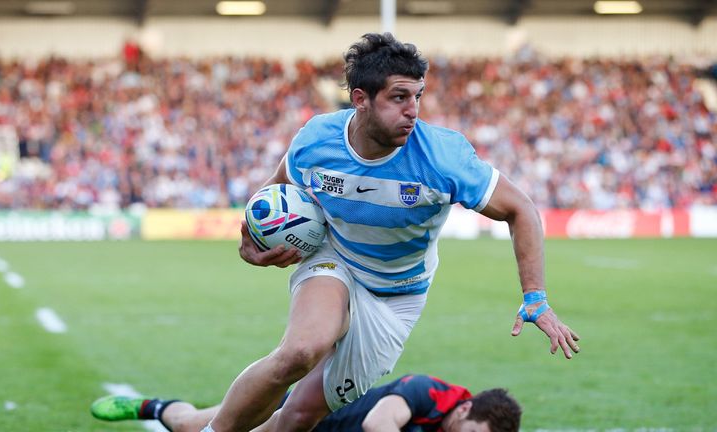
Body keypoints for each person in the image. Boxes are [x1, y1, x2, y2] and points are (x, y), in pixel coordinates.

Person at [206, 32, 579, 432]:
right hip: (337, 259)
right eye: (399, 97)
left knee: (299, 415)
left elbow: (520, 208)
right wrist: (254, 238)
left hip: (398, 298)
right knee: (301, 351)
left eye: (418, 96)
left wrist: (535, 298)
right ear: (361, 99)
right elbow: (276, 192)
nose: (413, 110)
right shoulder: (316, 140)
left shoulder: (443, 157)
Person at [90, 373, 522, 432]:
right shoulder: (428, 392)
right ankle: (148, 406)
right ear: (465, 410)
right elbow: (378, 425)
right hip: (292, 411)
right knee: (188, 428)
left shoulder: (458, 421)